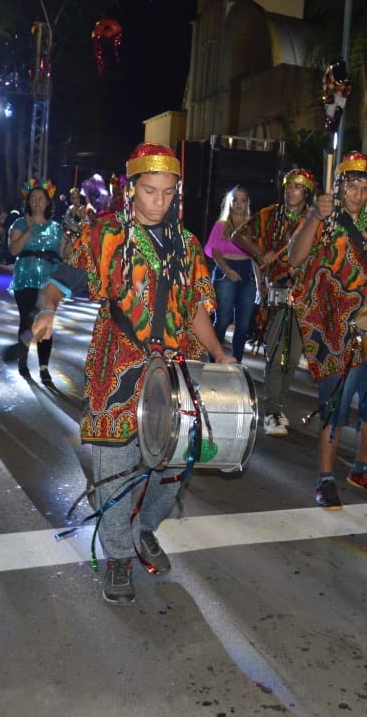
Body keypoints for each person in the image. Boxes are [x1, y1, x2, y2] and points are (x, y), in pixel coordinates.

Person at [30, 143, 233, 605]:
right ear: (131, 189)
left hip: (173, 368)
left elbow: (198, 309)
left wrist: (219, 352)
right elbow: (63, 278)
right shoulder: (106, 235)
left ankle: (143, 528)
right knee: (116, 468)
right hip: (116, 365)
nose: (158, 202)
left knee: (171, 468)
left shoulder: (187, 244)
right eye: (149, 191)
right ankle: (118, 556)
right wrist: (48, 311)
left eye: (167, 192)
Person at [288, 151, 367, 510]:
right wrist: (315, 215)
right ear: (339, 184)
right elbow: (295, 258)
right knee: (335, 407)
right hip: (334, 330)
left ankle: (363, 467)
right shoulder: (324, 217)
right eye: (352, 185)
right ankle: (325, 478)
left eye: (364, 186)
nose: (358, 193)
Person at [228, 168, 316, 436]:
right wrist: (260, 252)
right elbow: (238, 235)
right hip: (277, 293)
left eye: (298, 188)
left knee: (292, 359)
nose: (292, 191)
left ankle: (278, 406)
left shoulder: (314, 220)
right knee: (277, 354)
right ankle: (272, 412)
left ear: (307, 193)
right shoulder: (269, 215)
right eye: (289, 187)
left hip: (305, 296)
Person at [8, 179, 64, 385]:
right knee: (27, 320)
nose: (38, 201)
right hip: (25, 279)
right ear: (29, 203)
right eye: (34, 198)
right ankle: (22, 359)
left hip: (50, 282)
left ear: (48, 203)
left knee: (46, 322)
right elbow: (13, 250)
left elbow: (64, 253)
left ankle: (44, 366)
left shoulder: (57, 228)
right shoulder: (19, 224)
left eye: (41, 198)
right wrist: (30, 229)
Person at [204, 185, 257, 362]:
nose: (239, 203)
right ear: (229, 202)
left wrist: (260, 282)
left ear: (247, 203)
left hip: (248, 273)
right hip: (226, 271)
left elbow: (257, 255)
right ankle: (215, 358)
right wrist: (228, 271)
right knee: (223, 319)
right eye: (235, 199)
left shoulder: (253, 226)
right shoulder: (221, 225)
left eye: (243, 200)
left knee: (243, 324)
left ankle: (237, 362)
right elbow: (216, 253)